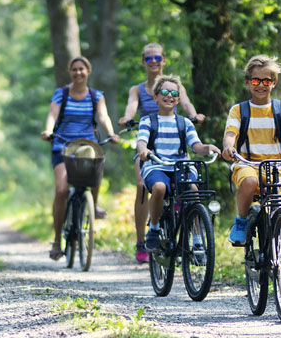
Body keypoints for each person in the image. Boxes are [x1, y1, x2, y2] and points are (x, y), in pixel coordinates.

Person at [221, 55, 281, 279]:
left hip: (278, 166)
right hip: (248, 162)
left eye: (267, 81)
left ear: (274, 83)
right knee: (250, 181)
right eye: (256, 81)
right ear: (247, 82)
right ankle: (242, 220)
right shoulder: (239, 110)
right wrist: (228, 148)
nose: (261, 85)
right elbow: (230, 135)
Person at [119, 43, 206, 263]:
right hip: (149, 149)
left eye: (157, 58)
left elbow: (186, 105)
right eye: (149, 59)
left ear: (164, 60)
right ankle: (143, 240)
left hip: (174, 151)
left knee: (188, 186)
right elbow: (131, 106)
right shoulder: (137, 89)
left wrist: (195, 116)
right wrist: (127, 118)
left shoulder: (174, 87)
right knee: (142, 186)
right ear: (143, 62)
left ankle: (189, 231)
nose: (154, 62)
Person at [41, 56, 120, 260]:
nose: (78, 73)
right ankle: (57, 240)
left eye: (82, 69)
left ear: (88, 71)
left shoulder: (96, 96)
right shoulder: (61, 94)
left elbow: (103, 117)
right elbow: (52, 115)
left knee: (96, 161)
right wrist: (48, 130)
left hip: (87, 146)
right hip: (63, 146)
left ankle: (93, 204)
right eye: (74, 69)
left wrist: (110, 134)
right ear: (70, 72)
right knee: (61, 190)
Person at [136, 75, 219, 252]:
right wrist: (144, 150)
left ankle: (197, 239)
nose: (169, 96)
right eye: (164, 92)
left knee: (193, 191)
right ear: (156, 96)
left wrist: (208, 148)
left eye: (174, 93)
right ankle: (155, 228)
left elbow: (196, 147)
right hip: (156, 165)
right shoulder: (148, 121)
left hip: (181, 167)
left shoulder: (185, 123)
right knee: (159, 188)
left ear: (179, 99)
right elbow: (141, 142)